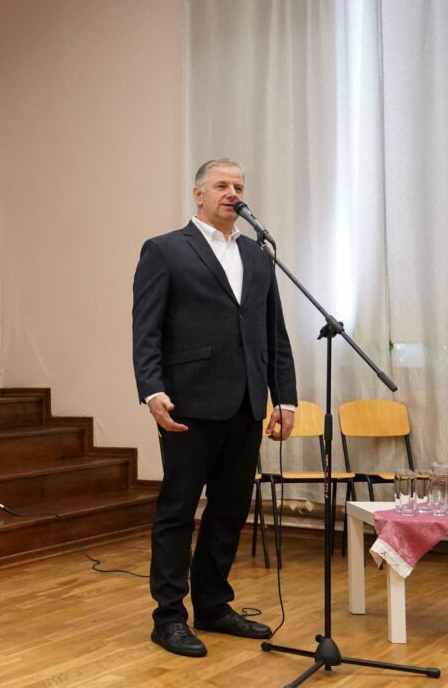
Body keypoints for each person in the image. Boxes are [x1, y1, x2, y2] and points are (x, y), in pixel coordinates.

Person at [131, 158, 297, 658]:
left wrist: (284, 398)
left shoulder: (259, 255)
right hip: (188, 403)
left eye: (239, 186)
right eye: (222, 184)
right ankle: (169, 617)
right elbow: (146, 328)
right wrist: (152, 390)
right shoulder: (165, 250)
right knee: (178, 511)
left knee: (229, 510)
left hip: (245, 403)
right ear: (198, 194)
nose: (233, 193)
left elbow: (274, 334)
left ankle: (213, 605)